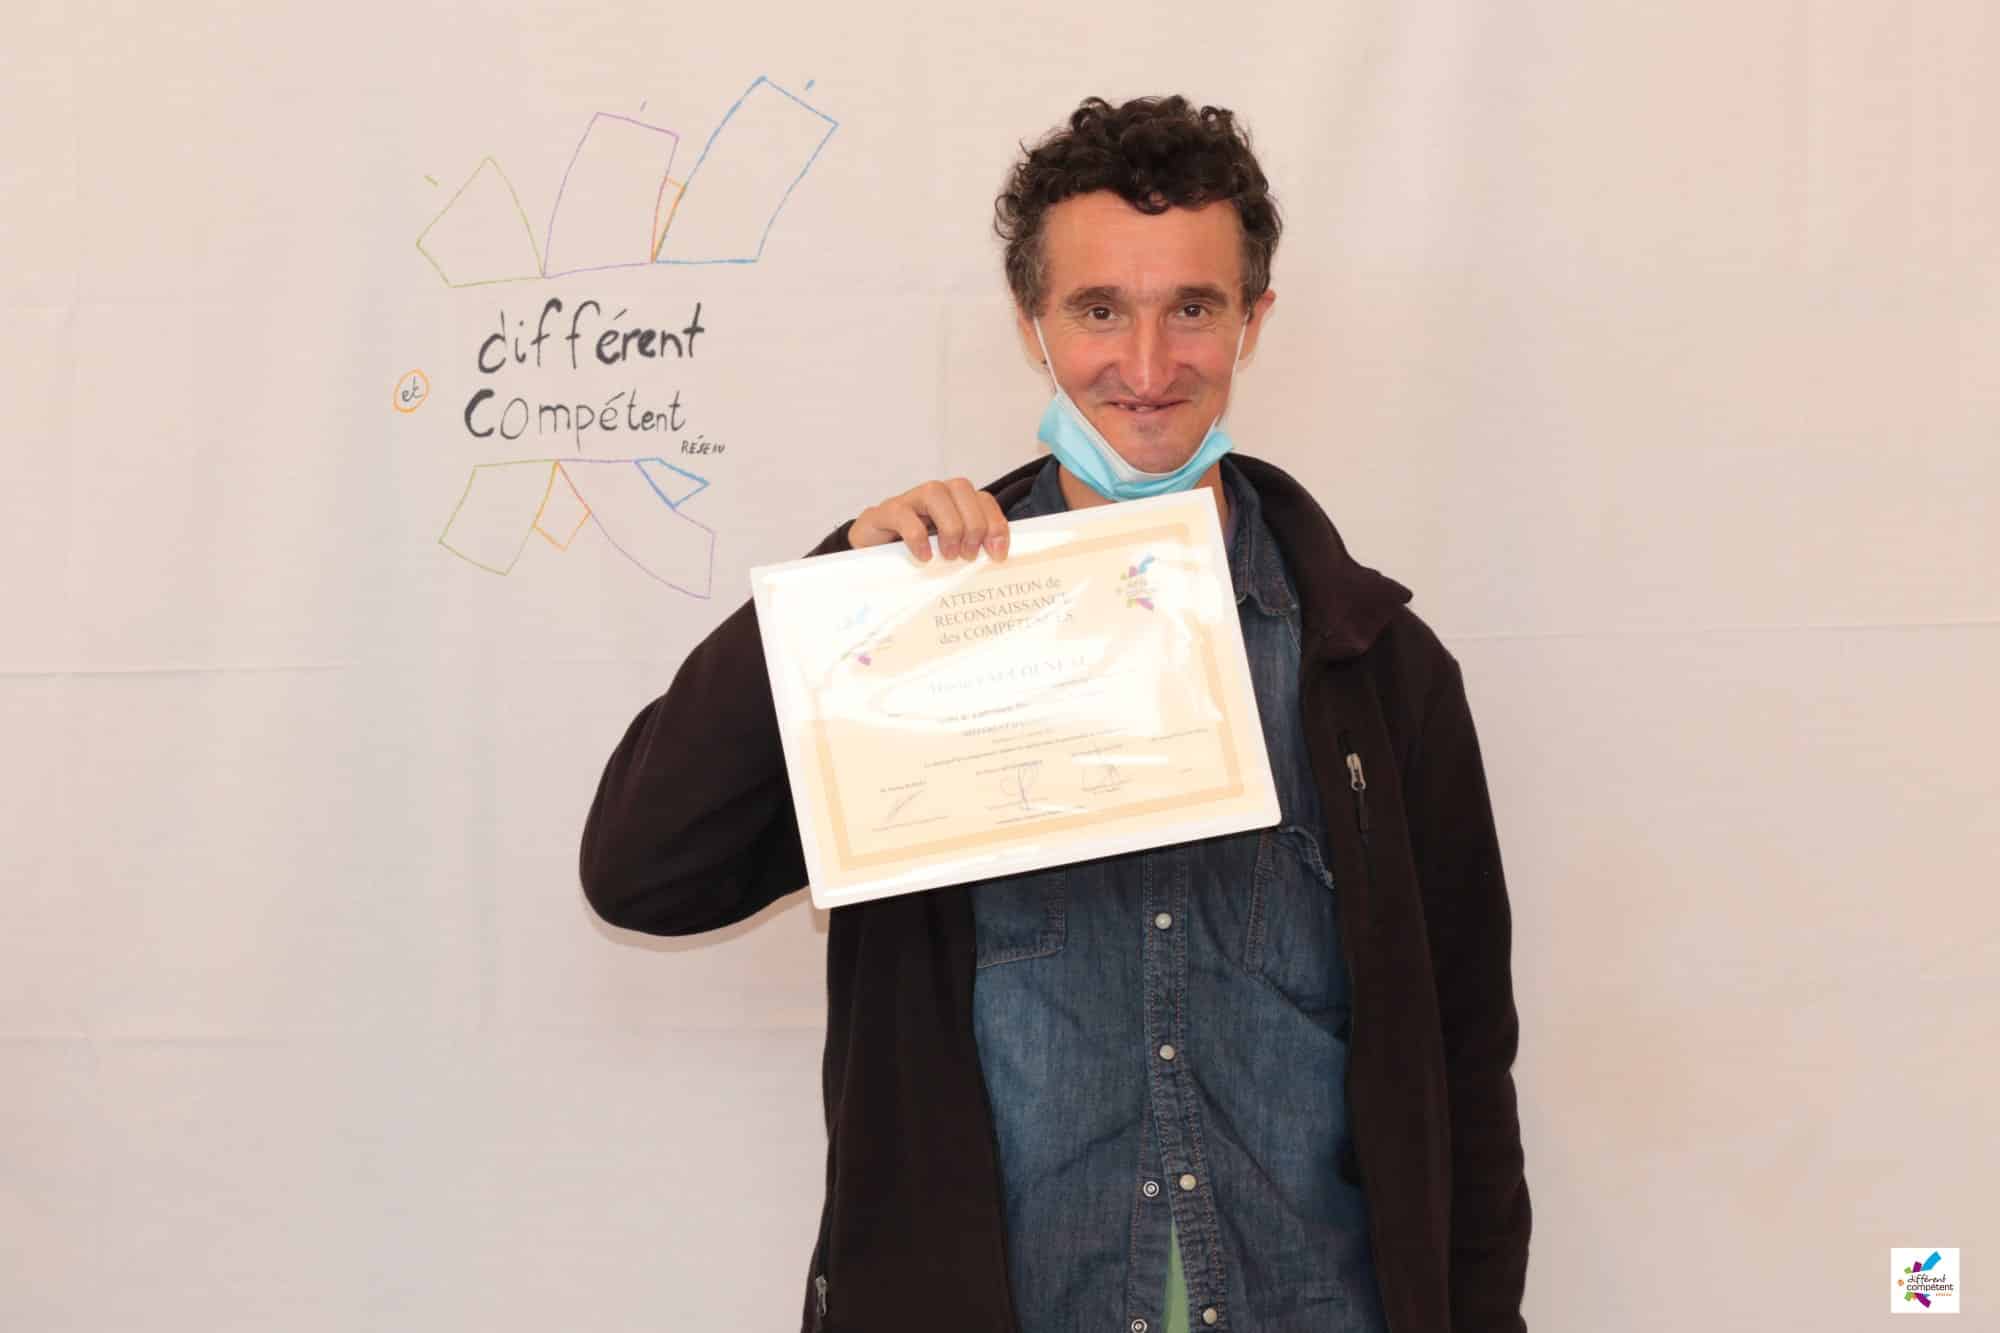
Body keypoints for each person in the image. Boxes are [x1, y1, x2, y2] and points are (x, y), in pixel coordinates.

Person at [580, 94, 1531, 1333]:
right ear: (1030, 322)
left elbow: (1464, 1066)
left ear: (1252, 319)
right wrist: (830, 597)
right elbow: (644, 873)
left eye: (1191, 308)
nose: (1146, 365)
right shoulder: (904, 626)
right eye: (1098, 310)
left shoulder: (1377, 669)